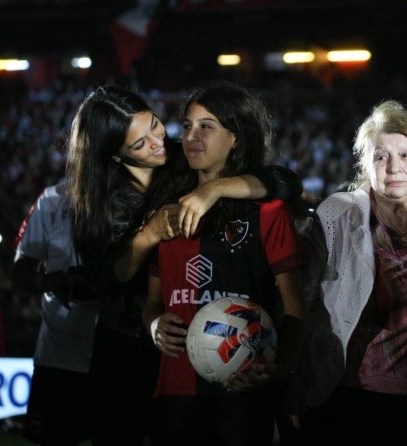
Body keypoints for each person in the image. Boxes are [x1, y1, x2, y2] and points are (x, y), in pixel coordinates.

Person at [65, 85, 283, 445]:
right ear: (115, 156)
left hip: (193, 343)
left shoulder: (184, 160)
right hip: (128, 353)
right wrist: (149, 234)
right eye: (139, 144)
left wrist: (214, 189)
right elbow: (106, 280)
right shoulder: (97, 200)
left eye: (154, 125)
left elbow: (278, 181)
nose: (156, 142)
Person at [141, 81, 307, 445]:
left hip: (244, 384)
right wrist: (154, 324)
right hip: (178, 387)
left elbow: (296, 305)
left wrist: (283, 370)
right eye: (186, 126)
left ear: (236, 137)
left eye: (206, 126)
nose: (191, 136)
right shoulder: (167, 214)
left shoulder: (268, 213)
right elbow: (152, 301)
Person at [302, 100, 407, 446]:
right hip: (341, 399)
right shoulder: (337, 215)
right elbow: (303, 300)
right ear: (365, 165)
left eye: (406, 155)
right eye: (380, 156)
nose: (393, 167)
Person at [11, 178, 100, 446]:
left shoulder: (138, 191)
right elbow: (20, 272)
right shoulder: (51, 198)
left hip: (119, 359)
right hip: (58, 359)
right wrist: (51, 282)